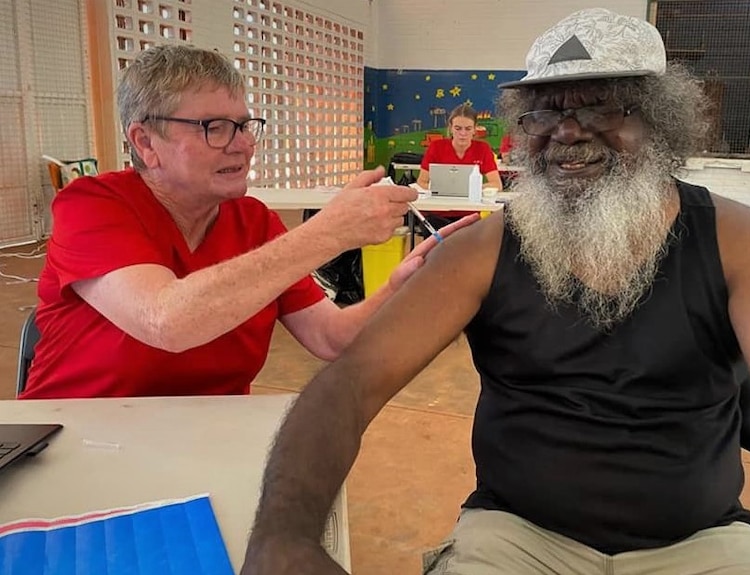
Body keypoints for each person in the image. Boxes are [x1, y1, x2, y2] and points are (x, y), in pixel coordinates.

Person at [241, 8, 750, 575]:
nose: (566, 131)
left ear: (662, 122)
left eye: (601, 107)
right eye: (545, 110)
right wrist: (284, 539)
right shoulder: (482, 252)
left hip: (702, 544)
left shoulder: (741, 244)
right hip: (515, 541)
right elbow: (348, 386)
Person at [21, 45, 476, 399]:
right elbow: (167, 322)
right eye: (214, 127)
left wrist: (400, 285)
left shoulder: (253, 222)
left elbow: (331, 338)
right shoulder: (92, 204)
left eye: (244, 125)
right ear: (145, 142)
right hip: (76, 440)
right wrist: (328, 231)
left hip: (207, 445)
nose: (242, 145)